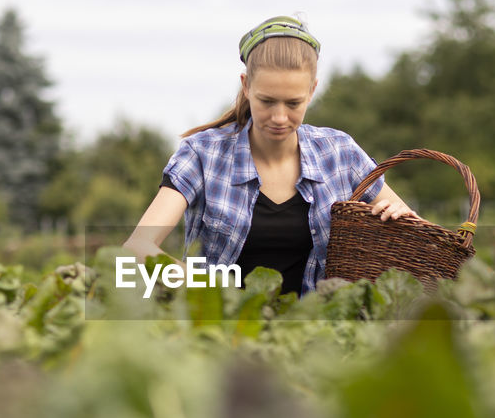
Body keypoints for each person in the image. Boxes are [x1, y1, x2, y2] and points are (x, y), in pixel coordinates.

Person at [123, 15, 416, 296]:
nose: (279, 117)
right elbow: (137, 248)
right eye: (267, 101)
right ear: (246, 86)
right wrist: (205, 287)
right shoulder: (203, 154)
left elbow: (415, 239)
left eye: (293, 103)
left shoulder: (340, 153)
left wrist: (404, 220)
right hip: (223, 332)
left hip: (321, 334)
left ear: (312, 91)